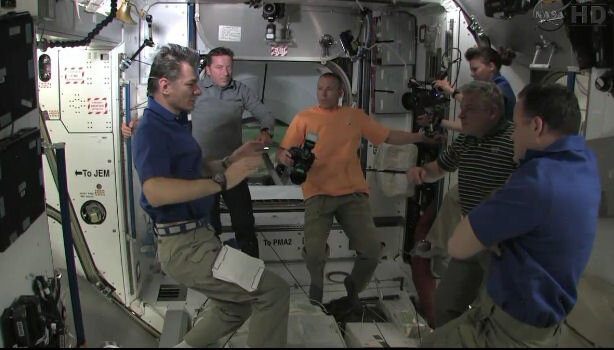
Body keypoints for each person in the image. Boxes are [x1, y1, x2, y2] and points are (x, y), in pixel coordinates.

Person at [131, 44, 288, 348]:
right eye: (191, 84)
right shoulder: (150, 129)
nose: (199, 91)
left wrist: (231, 160)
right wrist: (220, 183)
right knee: (274, 292)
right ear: (165, 86)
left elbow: (196, 168)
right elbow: (156, 191)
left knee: (235, 306)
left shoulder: (175, 122)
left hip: (199, 239)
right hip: (185, 248)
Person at [421, 83, 601, 347]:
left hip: (510, 328)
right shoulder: (585, 163)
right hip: (542, 318)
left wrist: (493, 214)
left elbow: (457, 246)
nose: (514, 135)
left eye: (517, 127)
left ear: (537, 126)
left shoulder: (536, 181)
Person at [277, 72, 434, 308]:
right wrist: (286, 158)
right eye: (320, 88)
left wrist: (420, 139)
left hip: (352, 194)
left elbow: (389, 136)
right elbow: (282, 151)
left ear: (340, 93)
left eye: (329, 88)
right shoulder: (304, 118)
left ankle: (353, 288)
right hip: (317, 192)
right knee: (314, 254)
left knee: (372, 251)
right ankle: (316, 291)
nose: (323, 93)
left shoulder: (354, 116)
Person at [124, 46, 274, 258]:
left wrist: (265, 134)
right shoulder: (194, 91)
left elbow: (264, 114)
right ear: (209, 69)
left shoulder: (240, 91)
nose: (226, 72)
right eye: (220, 67)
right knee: (210, 226)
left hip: (231, 166)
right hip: (203, 169)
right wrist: (139, 123)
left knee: (244, 222)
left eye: (229, 67)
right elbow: (163, 115)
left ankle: (251, 268)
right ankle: (214, 268)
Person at [407, 80, 516, 327]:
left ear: (492, 112)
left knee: (493, 317)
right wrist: (422, 172)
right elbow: (440, 168)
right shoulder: (467, 140)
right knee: (446, 306)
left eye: (470, 109)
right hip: (472, 236)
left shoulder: (514, 141)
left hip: (503, 247)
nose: (461, 114)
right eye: (462, 107)